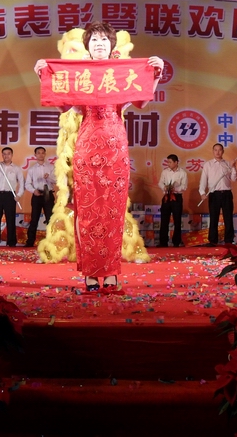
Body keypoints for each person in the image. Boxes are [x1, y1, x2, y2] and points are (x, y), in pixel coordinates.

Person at [34, 21, 163, 291]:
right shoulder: (80, 74)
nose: (100, 44)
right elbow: (64, 106)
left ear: (111, 45)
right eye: (94, 40)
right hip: (87, 147)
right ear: (88, 47)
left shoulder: (121, 73)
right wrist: (43, 77)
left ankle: (112, 272)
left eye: (104, 39)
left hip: (115, 148)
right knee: (89, 211)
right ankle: (91, 273)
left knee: (114, 213)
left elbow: (141, 101)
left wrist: (156, 74)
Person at [199, 143, 237, 246]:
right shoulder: (208, 164)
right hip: (214, 194)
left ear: (223, 151)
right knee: (213, 218)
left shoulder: (228, 164)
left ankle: (229, 241)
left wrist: (233, 167)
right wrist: (202, 192)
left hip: (226, 194)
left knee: (228, 218)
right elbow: (203, 180)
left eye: (220, 150)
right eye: (215, 150)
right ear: (213, 151)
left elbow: (234, 179)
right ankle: (212, 240)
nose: (217, 152)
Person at [0, 147, 24, 247]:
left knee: (10, 219)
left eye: (8, 153)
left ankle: (11, 242)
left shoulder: (16, 168)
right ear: (2, 155)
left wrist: (19, 195)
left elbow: (22, 183)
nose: (6, 156)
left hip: (10, 195)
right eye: (4, 154)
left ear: (12, 155)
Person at [25, 146, 55, 247]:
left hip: (48, 194)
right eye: (38, 153)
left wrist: (49, 177)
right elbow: (27, 184)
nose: (41, 155)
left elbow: (56, 180)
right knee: (34, 219)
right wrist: (34, 191)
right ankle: (30, 242)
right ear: (35, 155)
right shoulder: (32, 169)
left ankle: (52, 242)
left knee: (50, 218)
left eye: (43, 153)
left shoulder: (51, 167)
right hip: (37, 194)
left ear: (45, 154)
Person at [158, 154, 187, 247]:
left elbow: (184, 186)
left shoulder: (182, 173)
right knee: (164, 220)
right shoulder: (165, 172)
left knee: (177, 220)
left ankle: (176, 242)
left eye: (170, 162)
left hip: (177, 197)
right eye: (168, 162)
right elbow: (160, 183)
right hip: (167, 197)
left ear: (176, 162)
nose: (168, 164)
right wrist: (164, 187)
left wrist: (175, 188)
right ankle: (163, 242)